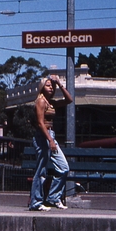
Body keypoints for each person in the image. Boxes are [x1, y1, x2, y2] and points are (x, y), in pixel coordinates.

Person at [29, 75, 73, 211]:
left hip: (50, 135)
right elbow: (40, 123)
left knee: (63, 167)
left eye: (52, 86)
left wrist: (60, 84)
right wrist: (50, 140)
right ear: (42, 87)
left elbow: (69, 100)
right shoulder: (40, 101)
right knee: (41, 171)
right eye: (48, 85)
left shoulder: (51, 102)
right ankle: (36, 203)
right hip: (43, 136)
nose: (51, 88)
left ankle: (53, 197)